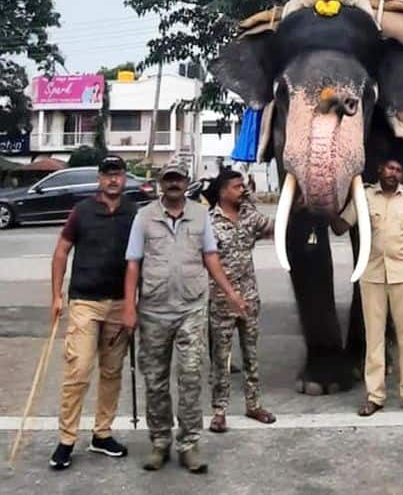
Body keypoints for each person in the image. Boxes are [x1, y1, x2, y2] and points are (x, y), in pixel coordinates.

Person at [122, 162, 247, 474]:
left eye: (178, 179)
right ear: (161, 184)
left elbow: (210, 257)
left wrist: (231, 293)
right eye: (169, 179)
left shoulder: (200, 215)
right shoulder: (144, 217)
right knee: (155, 381)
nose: (174, 184)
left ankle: (189, 444)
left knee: (190, 378)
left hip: (191, 308)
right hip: (153, 310)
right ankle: (160, 442)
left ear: (186, 182)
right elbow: (133, 264)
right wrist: (129, 307)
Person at [49, 156, 137, 470]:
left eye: (118, 174)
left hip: (118, 304)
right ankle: (66, 439)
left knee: (112, 372)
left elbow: (139, 260)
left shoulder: (133, 213)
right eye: (108, 174)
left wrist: (132, 304)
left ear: (125, 178)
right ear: (99, 179)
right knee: (78, 370)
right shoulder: (82, 211)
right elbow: (61, 251)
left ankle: (102, 434)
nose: (113, 180)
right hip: (85, 301)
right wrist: (56, 295)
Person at [332, 157, 403, 418]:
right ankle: (375, 397)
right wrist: (327, 206)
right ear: (379, 169)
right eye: (389, 167)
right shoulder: (363, 196)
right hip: (372, 275)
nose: (393, 173)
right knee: (374, 338)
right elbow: (341, 227)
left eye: (398, 169)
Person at [208, 170, 276, 433]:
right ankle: (219, 411)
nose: (242, 190)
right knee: (220, 358)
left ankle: (254, 404)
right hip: (222, 302)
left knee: (251, 355)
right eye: (237, 187)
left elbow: (274, 228)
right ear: (223, 191)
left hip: (248, 299)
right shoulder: (210, 222)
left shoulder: (249, 216)